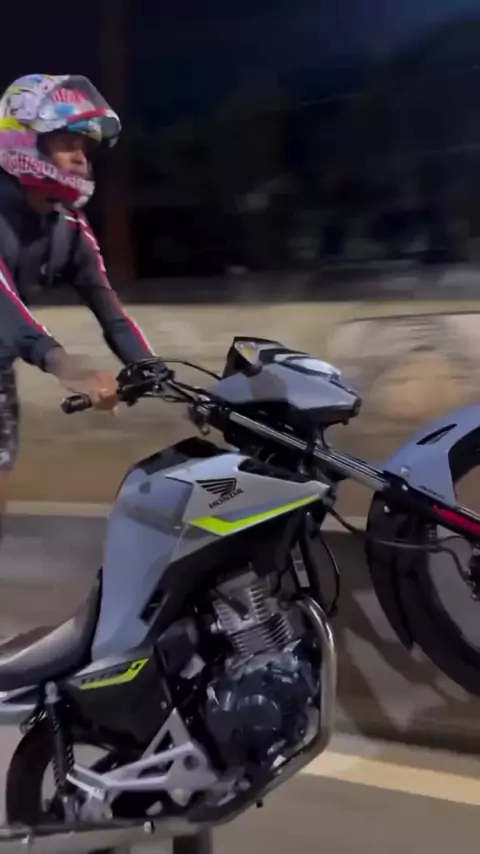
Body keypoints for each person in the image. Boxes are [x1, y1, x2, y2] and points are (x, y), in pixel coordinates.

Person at [0, 73, 156, 521]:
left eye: (85, 148)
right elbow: (4, 308)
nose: (80, 159)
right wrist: (65, 365)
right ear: (25, 141)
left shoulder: (68, 227)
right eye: (66, 143)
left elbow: (112, 313)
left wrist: (154, 371)